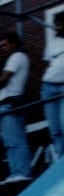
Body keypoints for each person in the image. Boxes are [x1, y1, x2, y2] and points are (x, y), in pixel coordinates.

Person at [0, 31, 32, 184]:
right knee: (9, 142)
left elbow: (3, 78)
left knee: (16, 139)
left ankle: (23, 171)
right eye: (0, 46)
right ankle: (15, 172)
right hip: (5, 102)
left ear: (14, 44)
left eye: (5, 45)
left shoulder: (17, 56)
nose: (2, 49)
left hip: (11, 101)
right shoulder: (13, 58)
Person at [41, 12, 64, 160]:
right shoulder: (53, 43)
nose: (56, 27)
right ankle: (61, 161)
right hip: (49, 86)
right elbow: (49, 63)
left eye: (59, 24)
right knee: (55, 129)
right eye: (55, 24)